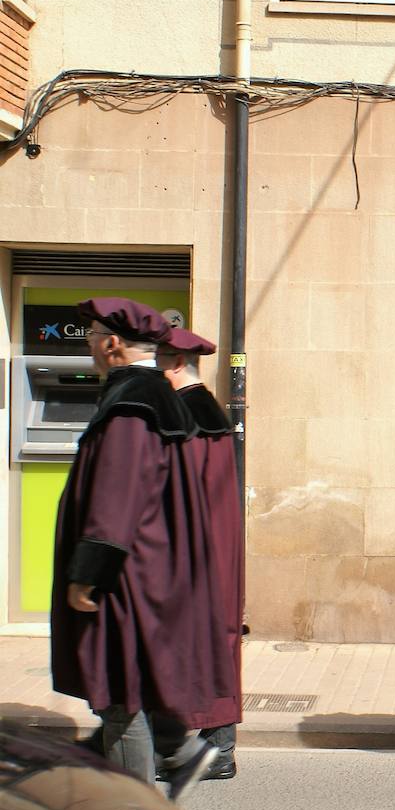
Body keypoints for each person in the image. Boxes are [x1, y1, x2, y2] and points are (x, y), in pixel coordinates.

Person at [49, 298, 232, 802]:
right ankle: (178, 754)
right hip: (148, 569)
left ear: (111, 344)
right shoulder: (153, 395)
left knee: (118, 693)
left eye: (89, 337)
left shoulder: (132, 403)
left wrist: (89, 573)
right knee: (132, 682)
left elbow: (118, 493)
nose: (87, 345)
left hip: (127, 576)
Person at [156, 327, 244, 782]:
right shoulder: (205, 411)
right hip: (214, 548)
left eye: (156, 360)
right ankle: (216, 747)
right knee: (215, 640)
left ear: (173, 363)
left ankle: (213, 750)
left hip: (196, 551)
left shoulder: (187, 416)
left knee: (198, 641)